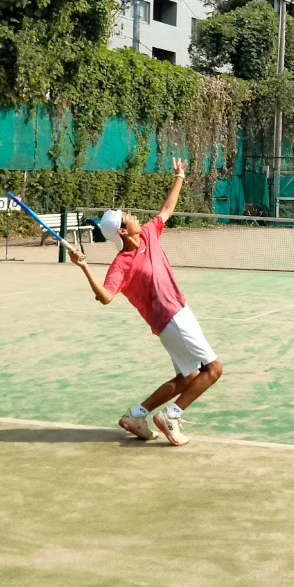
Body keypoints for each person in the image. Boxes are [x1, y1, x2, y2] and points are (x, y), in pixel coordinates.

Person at [69, 158, 222, 446]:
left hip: (175, 317)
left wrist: (179, 177)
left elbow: (167, 209)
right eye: (128, 217)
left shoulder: (150, 234)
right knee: (214, 370)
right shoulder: (122, 263)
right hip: (173, 319)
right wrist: (84, 267)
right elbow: (105, 297)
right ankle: (171, 416)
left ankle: (137, 415)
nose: (134, 216)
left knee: (188, 378)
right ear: (123, 232)